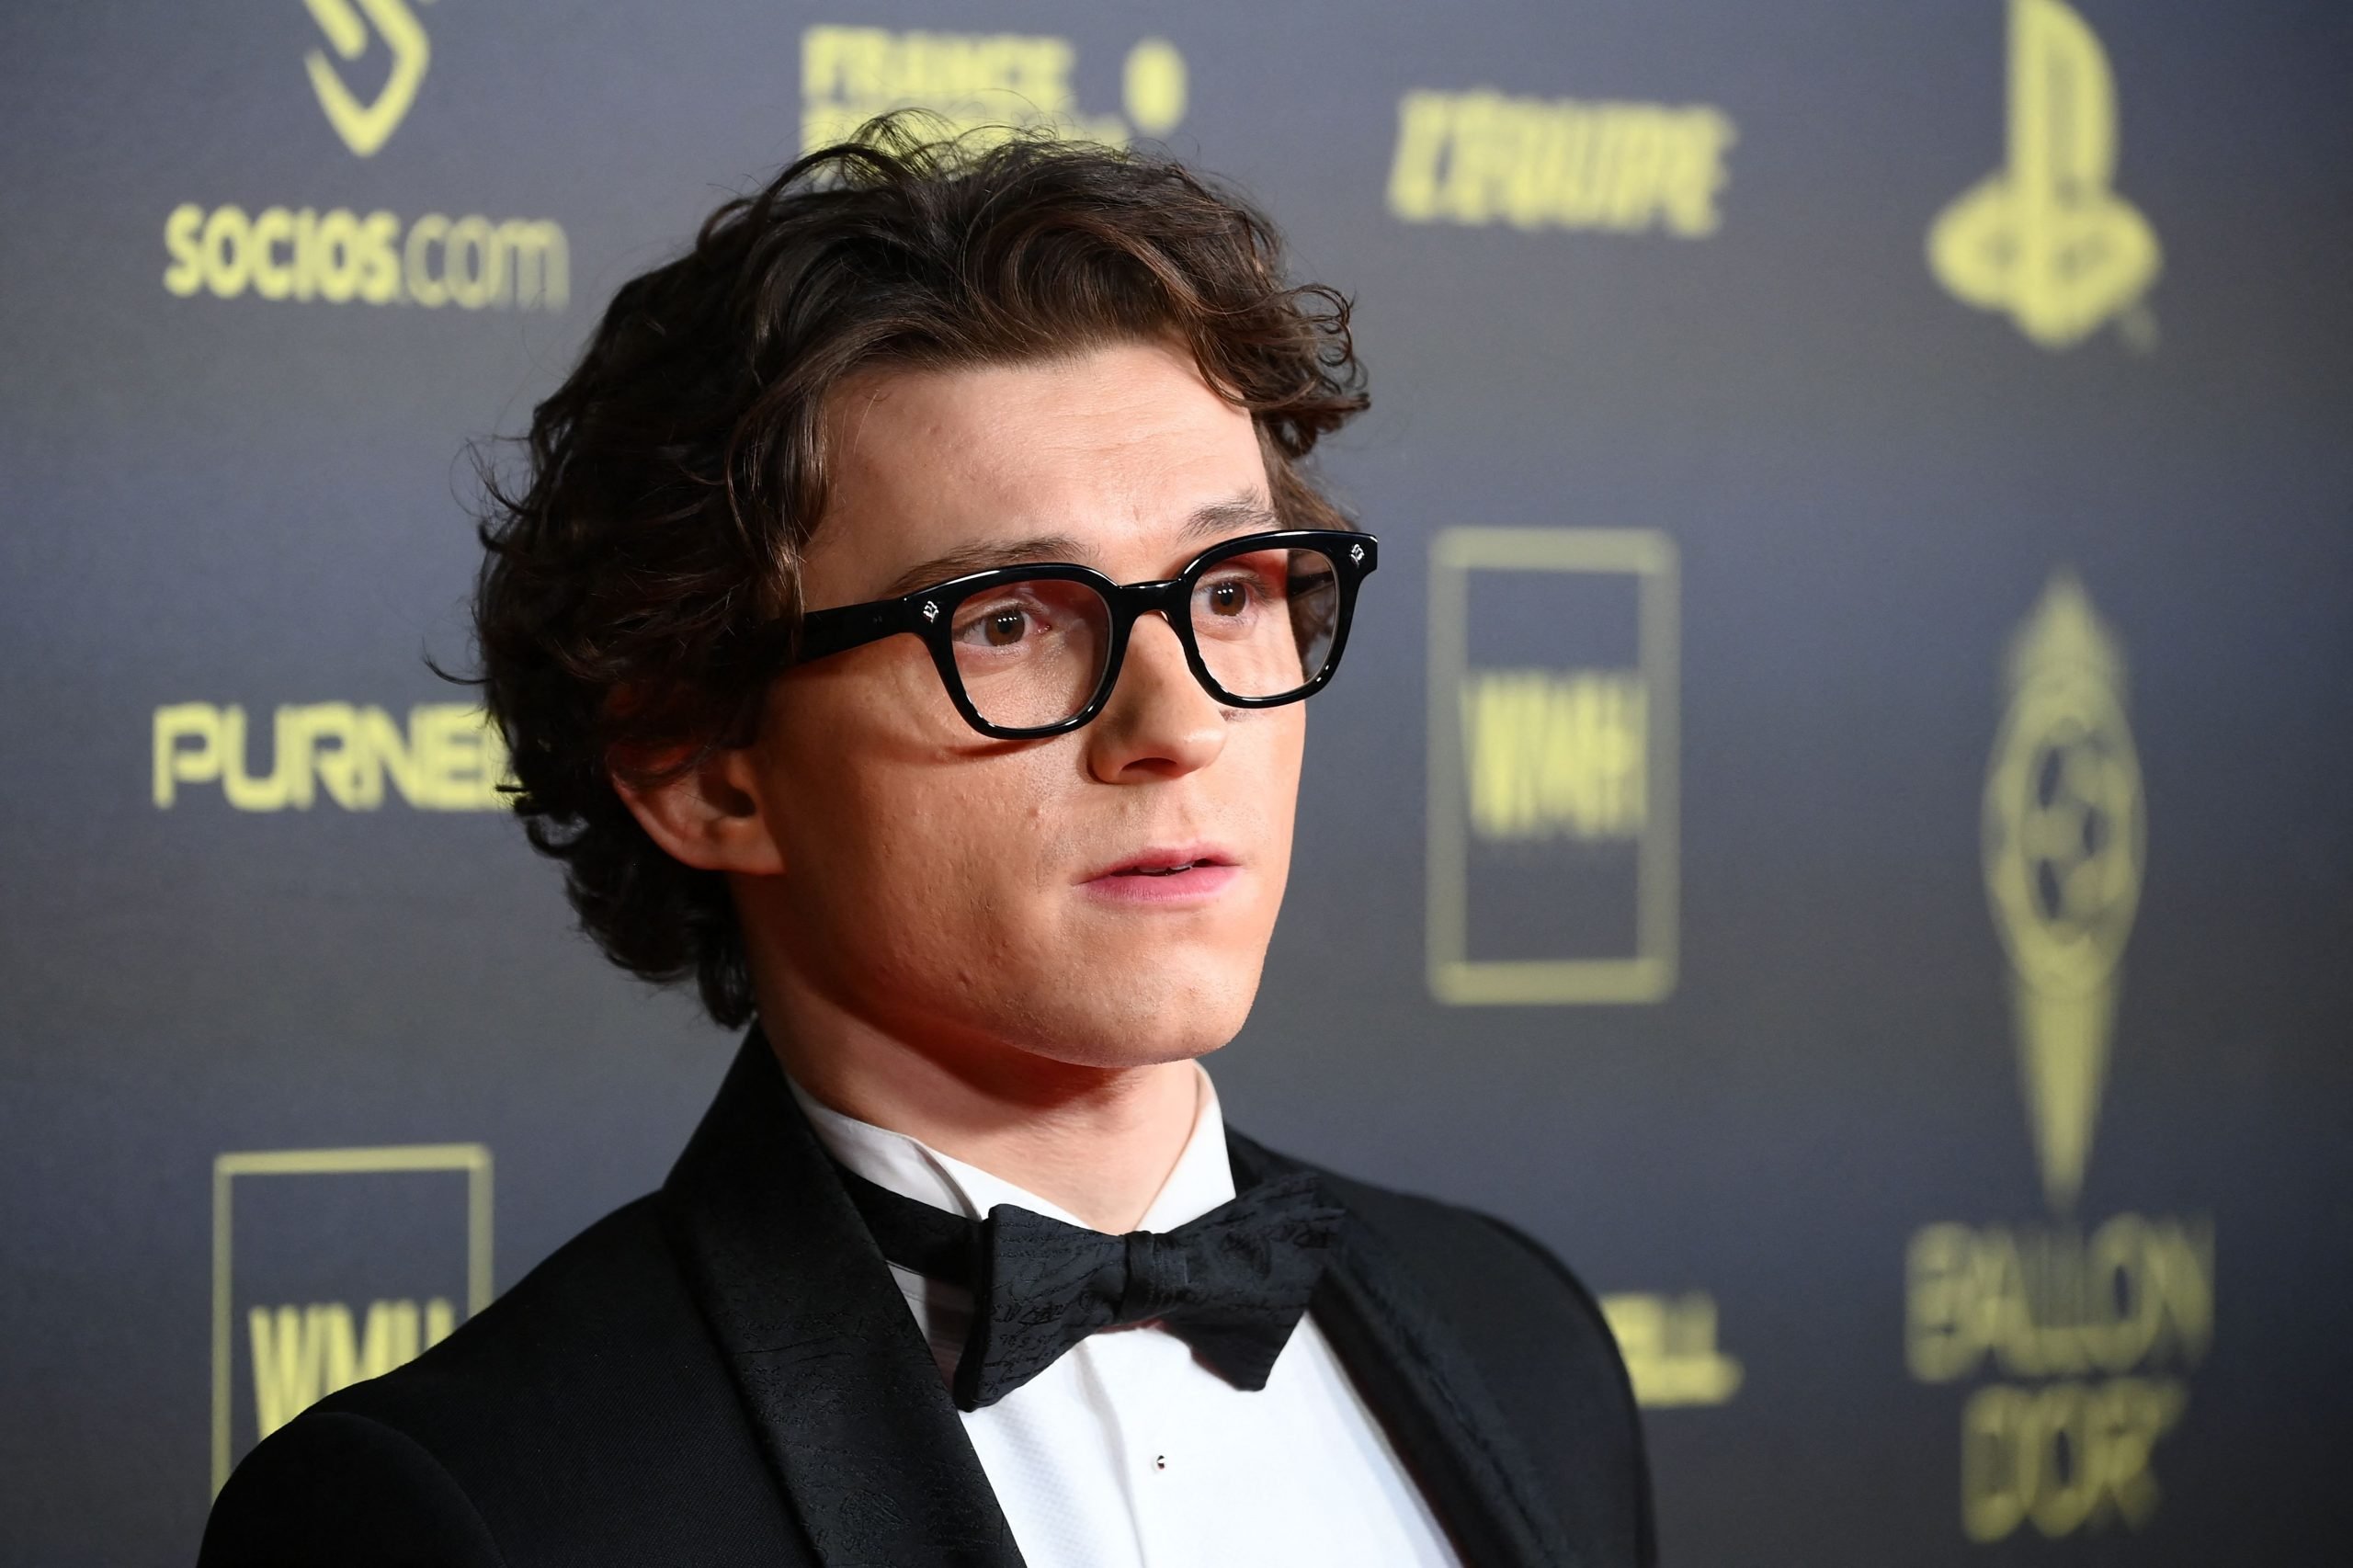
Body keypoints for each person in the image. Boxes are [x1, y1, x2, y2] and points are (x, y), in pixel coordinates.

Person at [199, 118, 1653, 1568]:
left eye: (1227, 592)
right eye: (1007, 621)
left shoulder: (1524, 1343)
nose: (1181, 722)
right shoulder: (464, 1512)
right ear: (702, 771)